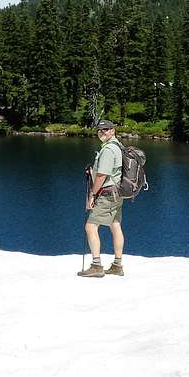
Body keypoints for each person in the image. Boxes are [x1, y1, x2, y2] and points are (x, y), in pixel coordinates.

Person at [78, 119, 125, 278]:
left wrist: (92, 194)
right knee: (115, 225)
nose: (102, 132)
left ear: (112, 131)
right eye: (100, 130)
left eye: (106, 130)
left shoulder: (108, 150)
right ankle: (117, 265)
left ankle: (96, 266)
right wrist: (93, 170)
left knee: (91, 226)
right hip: (117, 193)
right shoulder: (118, 146)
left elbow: (102, 175)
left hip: (106, 194)